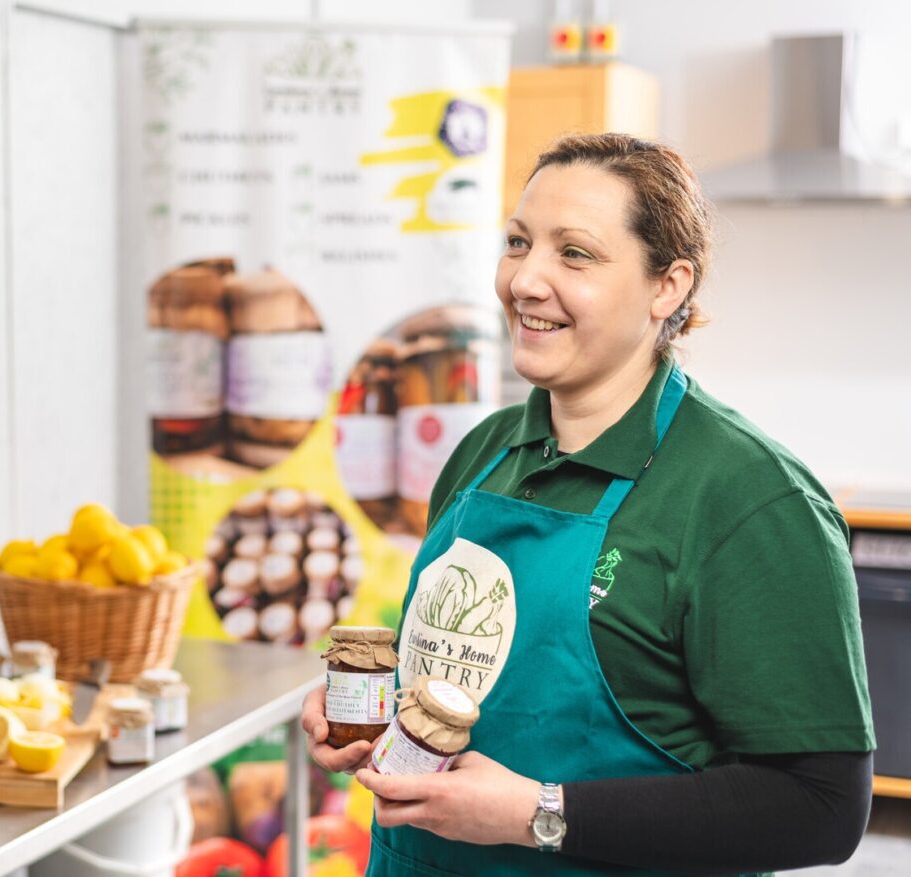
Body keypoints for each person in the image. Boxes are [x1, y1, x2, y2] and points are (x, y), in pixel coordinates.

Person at [302, 133, 875, 876]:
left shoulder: (748, 500)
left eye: (574, 253)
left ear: (667, 287)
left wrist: (536, 814)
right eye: (518, 241)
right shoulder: (485, 453)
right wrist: (369, 710)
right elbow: (472, 680)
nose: (525, 280)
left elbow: (822, 807)